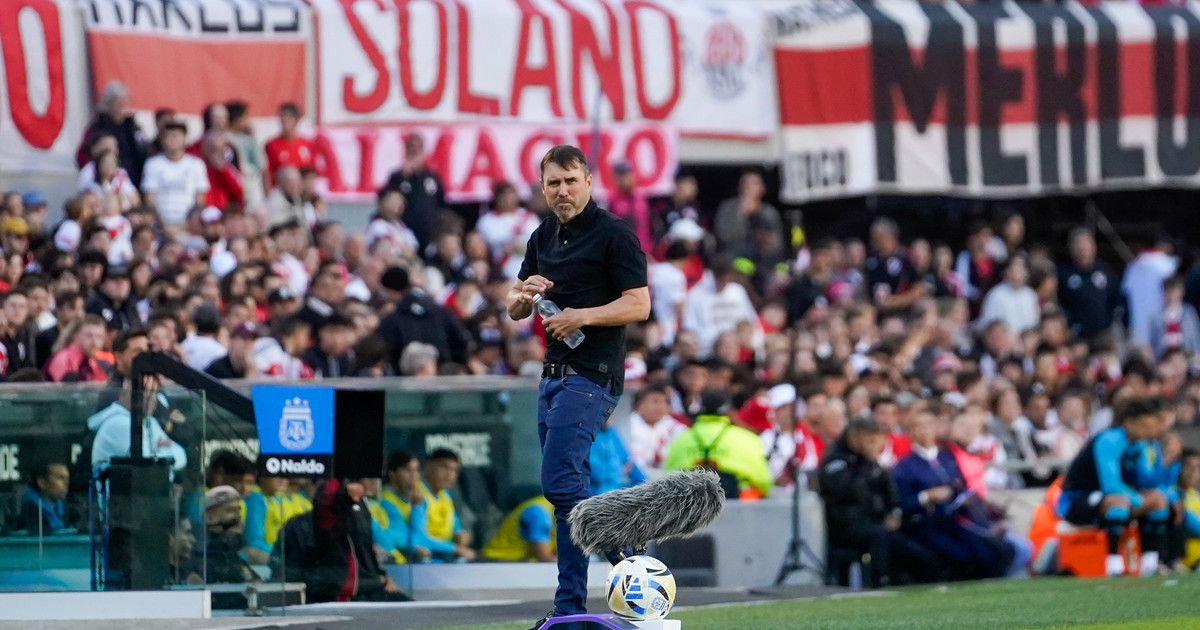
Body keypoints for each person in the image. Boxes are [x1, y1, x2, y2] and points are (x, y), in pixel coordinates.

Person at [504, 144, 650, 630]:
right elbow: (514, 305)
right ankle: (569, 605)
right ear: (542, 187)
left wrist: (581, 316)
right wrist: (523, 296)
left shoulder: (614, 234)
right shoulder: (542, 235)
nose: (562, 190)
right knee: (568, 493)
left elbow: (639, 304)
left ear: (588, 181)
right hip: (552, 377)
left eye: (570, 180)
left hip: (592, 375)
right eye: (553, 183)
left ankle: (626, 557)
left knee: (560, 484)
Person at [819, 417, 943, 586]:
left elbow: (889, 489)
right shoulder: (835, 460)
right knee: (879, 537)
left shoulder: (869, 462)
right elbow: (852, 493)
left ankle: (924, 576)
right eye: (870, 441)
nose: (875, 446)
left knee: (915, 548)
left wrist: (894, 511)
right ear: (855, 437)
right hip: (846, 525)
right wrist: (869, 464)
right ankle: (880, 580)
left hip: (875, 521)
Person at [891, 409, 1012, 581]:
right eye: (918, 426)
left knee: (992, 552)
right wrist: (926, 496)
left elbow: (960, 487)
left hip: (955, 520)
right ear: (910, 432)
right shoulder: (903, 467)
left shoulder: (947, 458)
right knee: (961, 556)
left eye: (928, 425)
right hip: (926, 523)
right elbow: (901, 504)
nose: (924, 430)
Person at [1057, 398, 1171, 576]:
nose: (1148, 430)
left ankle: (1150, 564)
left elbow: (1147, 482)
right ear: (1129, 422)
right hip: (1078, 500)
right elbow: (1110, 485)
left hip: (1117, 498)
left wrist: (1162, 458)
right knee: (1118, 502)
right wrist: (1138, 500)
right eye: (1144, 425)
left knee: (1158, 501)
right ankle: (1113, 564)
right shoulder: (1110, 439)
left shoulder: (1139, 445)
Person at [662, 388, 773, 499]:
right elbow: (764, 483)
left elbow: (667, 480)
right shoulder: (748, 439)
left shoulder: (680, 439)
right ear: (728, 410)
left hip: (688, 506)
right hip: (735, 505)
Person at [140, 120, 209, 228]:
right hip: (160, 225)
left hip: (188, 225)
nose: (171, 140)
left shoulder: (196, 165)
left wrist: (186, 225)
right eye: (167, 136)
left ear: (184, 139)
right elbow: (149, 200)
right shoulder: (152, 164)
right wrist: (164, 226)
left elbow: (199, 200)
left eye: (175, 136)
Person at [382, 134, 446, 251]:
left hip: (428, 235)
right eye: (412, 147)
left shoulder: (432, 177)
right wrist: (404, 176)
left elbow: (441, 203)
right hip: (404, 235)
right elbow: (385, 202)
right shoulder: (397, 177)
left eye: (418, 147)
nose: (415, 151)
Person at [1057, 229, 1121, 340]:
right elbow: (1060, 303)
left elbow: (1115, 298)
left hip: (1104, 335)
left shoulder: (1105, 271)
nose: (1083, 251)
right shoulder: (1064, 274)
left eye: (1086, 246)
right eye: (1079, 247)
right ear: (1071, 249)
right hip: (1076, 337)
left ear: (1094, 247)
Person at [379, 450, 437, 562]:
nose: (413, 475)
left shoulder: (415, 498)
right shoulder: (385, 502)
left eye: (416, 470)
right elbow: (415, 542)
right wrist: (417, 507)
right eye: (407, 470)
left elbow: (423, 536)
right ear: (392, 474)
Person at [419, 449, 475, 562]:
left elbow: (456, 526)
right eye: (444, 467)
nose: (450, 474)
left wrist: (461, 534)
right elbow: (418, 537)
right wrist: (454, 548)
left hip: (445, 557)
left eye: (455, 470)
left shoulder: (446, 496)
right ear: (428, 466)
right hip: (423, 557)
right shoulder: (417, 493)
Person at [626, 383, 688, 479]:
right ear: (639, 404)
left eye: (664, 402)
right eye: (655, 401)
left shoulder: (667, 425)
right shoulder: (628, 426)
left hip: (661, 477)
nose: (660, 407)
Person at [482, 494, 557, 562]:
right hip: (497, 561)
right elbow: (544, 557)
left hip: (522, 563)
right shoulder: (538, 513)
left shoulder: (558, 509)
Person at [263, 102, 316, 189]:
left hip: (302, 192)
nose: (284, 120)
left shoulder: (307, 144)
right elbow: (267, 173)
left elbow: (312, 172)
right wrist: (268, 195)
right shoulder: (271, 145)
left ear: (296, 120)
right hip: (280, 192)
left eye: (288, 117)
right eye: (282, 116)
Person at [43, 314, 109, 383]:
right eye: (89, 336)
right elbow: (64, 388)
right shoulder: (64, 358)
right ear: (76, 336)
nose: (94, 342)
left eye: (99, 337)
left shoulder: (95, 362)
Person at [1149, 275, 1200, 360]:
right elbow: (1154, 342)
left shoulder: (1189, 313)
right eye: (1169, 291)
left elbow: (1195, 338)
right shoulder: (1156, 317)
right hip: (1165, 358)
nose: (1172, 295)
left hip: (1186, 357)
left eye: (1175, 291)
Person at [19, 460, 78, 533]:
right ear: (42, 482)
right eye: (60, 478)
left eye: (67, 478)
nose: (67, 483)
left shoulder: (66, 508)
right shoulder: (31, 511)